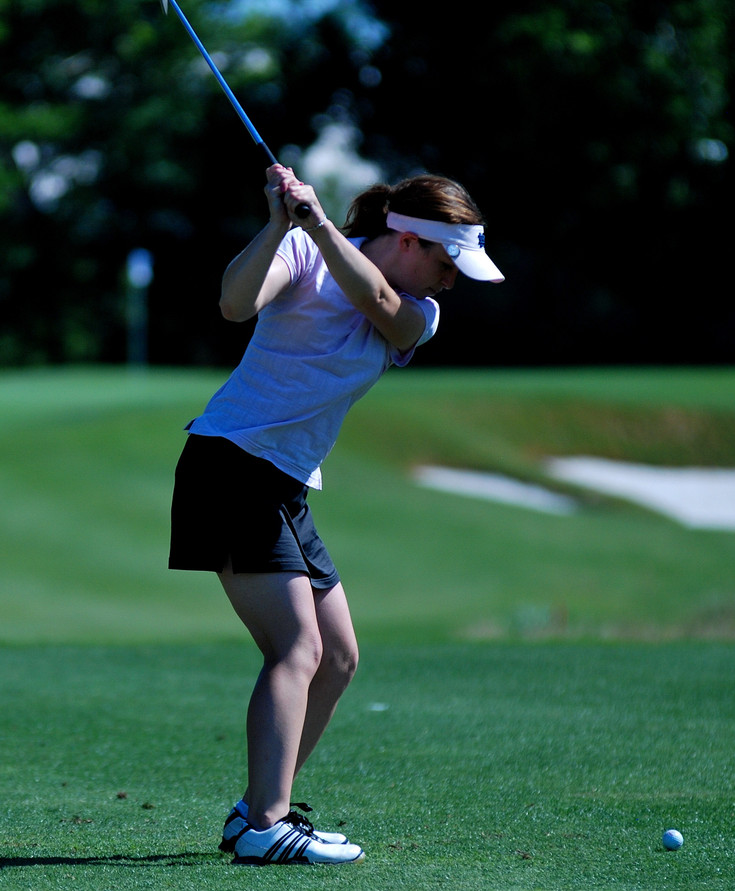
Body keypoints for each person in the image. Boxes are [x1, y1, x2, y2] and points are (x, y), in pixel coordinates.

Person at [168, 163, 504, 866]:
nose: (452, 281)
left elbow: (379, 299)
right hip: (230, 462)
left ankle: (259, 812)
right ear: (409, 239)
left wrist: (319, 225)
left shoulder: (421, 314)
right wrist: (278, 225)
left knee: (339, 656)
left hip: (283, 481)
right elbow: (234, 304)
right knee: (297, 649)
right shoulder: (298, 251)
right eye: (448, 262)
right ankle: (266, 823)